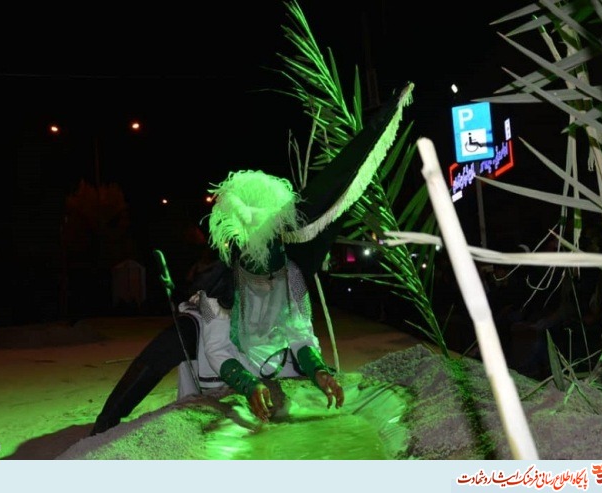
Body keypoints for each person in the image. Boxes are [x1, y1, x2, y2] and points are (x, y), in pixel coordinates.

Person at [89, 84, 414, 435]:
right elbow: (217, 348)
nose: (268, 282)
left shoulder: (291, 275)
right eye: (261, 277)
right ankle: (106, 423)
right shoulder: (219, 290)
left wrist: (318, 370)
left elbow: (300, 334)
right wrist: (246, 384)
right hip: (228, 366)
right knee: (178, 337)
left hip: (274, 362)